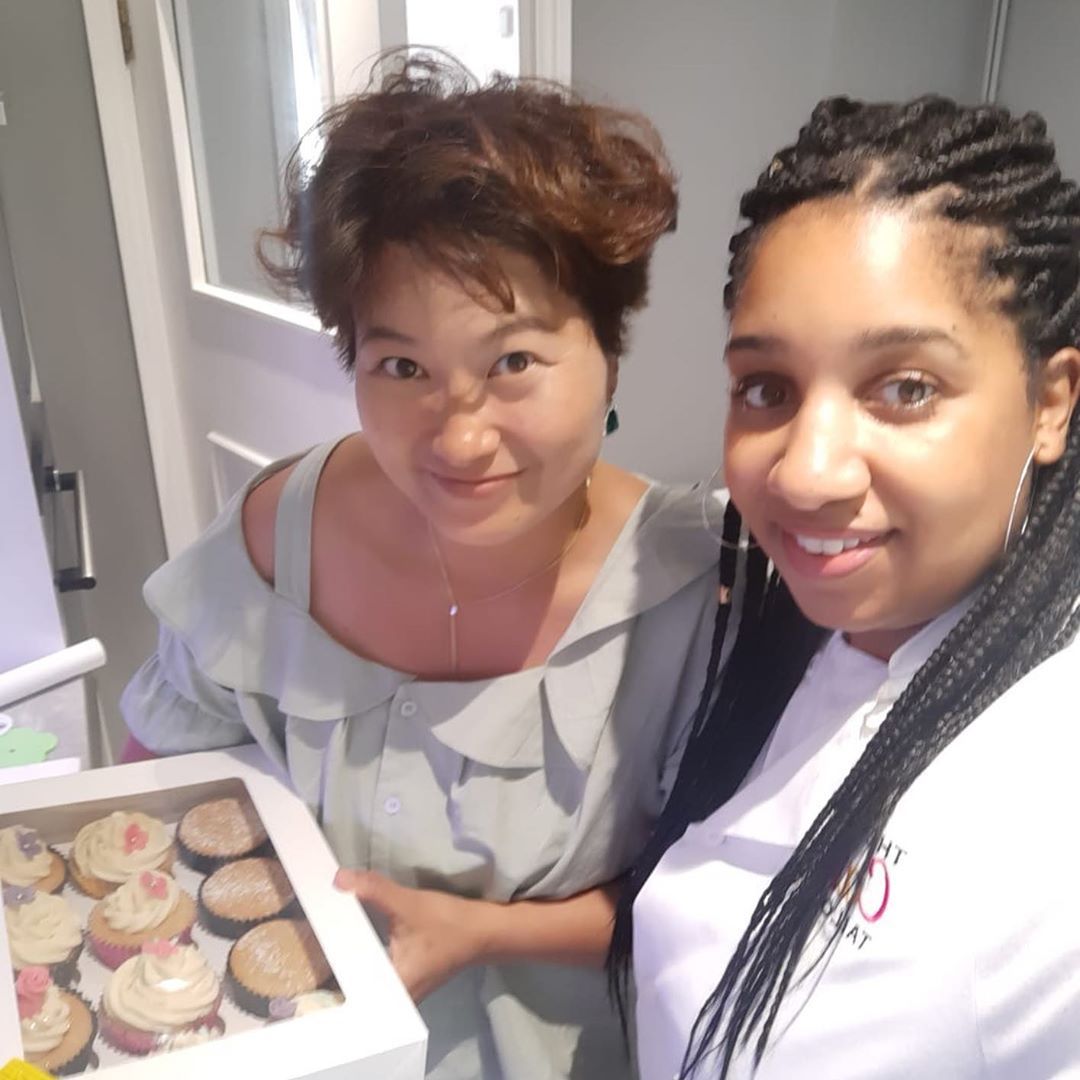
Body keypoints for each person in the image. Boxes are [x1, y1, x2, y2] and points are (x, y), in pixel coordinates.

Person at [120, 57, 720, 1079]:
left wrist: (488, 934)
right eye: (402, 367)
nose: (460, 438)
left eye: (513, 362)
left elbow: (715, 901)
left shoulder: (694, 588)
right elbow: (159, 774)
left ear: (609, 354)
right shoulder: (276, 536)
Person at [610, 95, 1080, 1079]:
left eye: (905, 388)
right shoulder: (792, 624)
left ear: (1051, 401)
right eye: (767, 389)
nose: (805, 471)